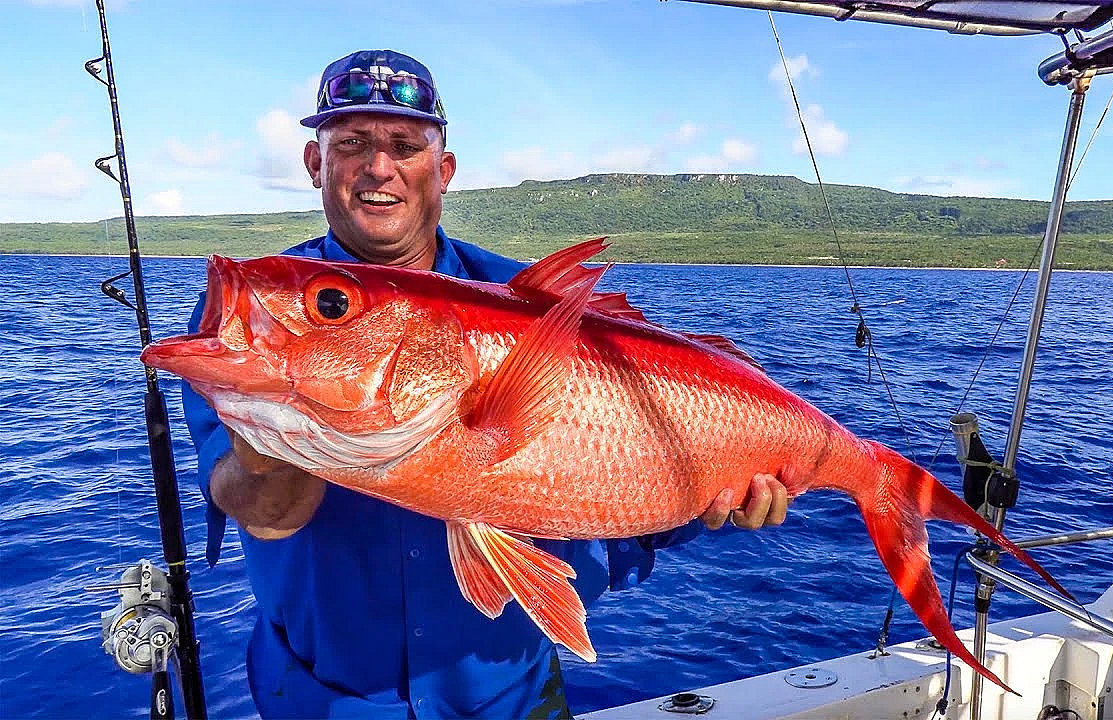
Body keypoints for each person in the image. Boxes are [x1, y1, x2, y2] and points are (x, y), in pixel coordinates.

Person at [181, 49, 791, 719]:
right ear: (315, 164)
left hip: (513, 697)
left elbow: (626, 479)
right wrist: (280, 413)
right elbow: (264, 513)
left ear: (442, 171)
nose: (378, 168)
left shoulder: (530, 303)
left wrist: (717, 500)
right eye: (350, 144)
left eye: (404, 145)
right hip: (321, 700)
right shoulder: (260, 314)